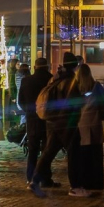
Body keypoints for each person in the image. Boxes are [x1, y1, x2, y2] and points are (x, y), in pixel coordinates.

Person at [29, 53, 79, 198]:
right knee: (74, 153)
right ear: (75, 65)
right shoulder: (70, 81)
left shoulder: (55, 78)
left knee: (48, 153)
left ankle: (35, 180)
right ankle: (76, 187)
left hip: (52, 122)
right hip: (65, 122)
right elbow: (73, 103)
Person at [74, 65, 104, 194]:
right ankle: (96, 182)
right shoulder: (96, 86)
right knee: (96, 154)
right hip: (94, 121)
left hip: (80, 123)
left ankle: (85, 181)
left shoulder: (75, 86)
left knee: (83, 154)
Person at [18, 57, 54, 189]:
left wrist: (28, 111)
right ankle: (45, 178)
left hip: (32, 119)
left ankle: (31, 177)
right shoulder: (50, 79)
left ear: (34, 67)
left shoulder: (26, 81)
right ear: (47, 67)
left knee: (32, 150)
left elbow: (20, 101)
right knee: (46, 150)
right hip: (47, 119)